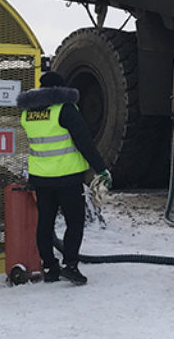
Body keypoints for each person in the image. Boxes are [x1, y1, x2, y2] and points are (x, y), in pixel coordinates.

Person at [17, 71, 112, 286]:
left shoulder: (27, 113)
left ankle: (50, 267)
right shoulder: (65, 109)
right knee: (74, 222)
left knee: (45, 223)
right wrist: (101, 169)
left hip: (41, 177)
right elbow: (84, 142)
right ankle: (71, 266)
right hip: (67, 177)